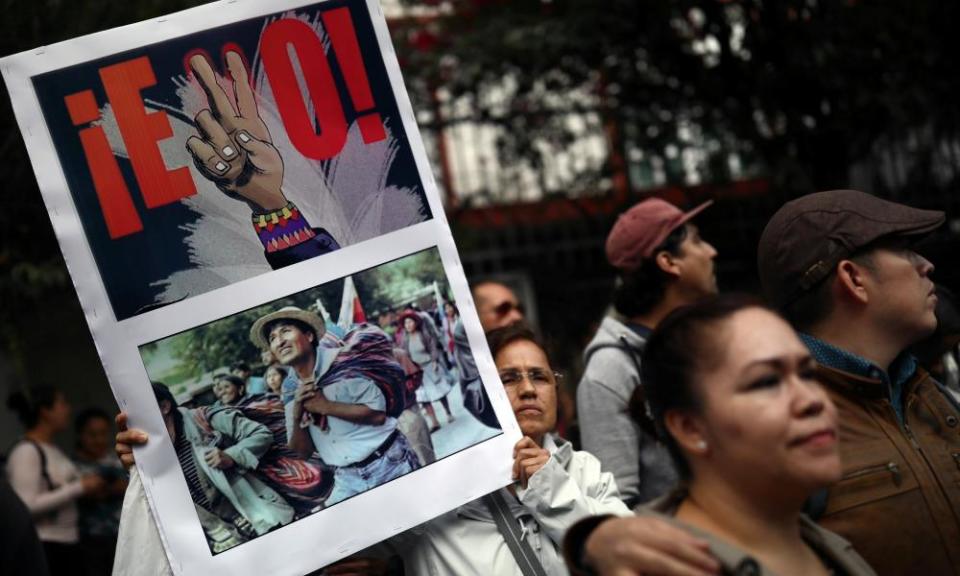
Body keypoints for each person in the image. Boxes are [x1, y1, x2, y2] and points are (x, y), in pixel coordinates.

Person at [567, 295, 875, 575]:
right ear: (690, 428)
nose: (813, 400)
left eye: (808, 374)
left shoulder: (832, 550)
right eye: (767, 382)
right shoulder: (659, 566)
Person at [390, 322, 630, 574]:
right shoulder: (433, 502)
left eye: (540, 377)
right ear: (482, 392)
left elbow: (631, 559)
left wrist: (552, 488)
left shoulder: (586, 470)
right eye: (508, 378)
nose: (528, 390)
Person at [578, 197, 718, 507]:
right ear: (669, 262)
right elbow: (614, 505)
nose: (711, 251)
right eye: (697, 241)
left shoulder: (707, 345)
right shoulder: (609, 372)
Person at [250, 306, 419, 505]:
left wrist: (325, 407)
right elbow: (301, 453)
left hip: (389, 462)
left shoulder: (345, 365)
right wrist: (297, 416)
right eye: (273, 337)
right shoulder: (290, 391)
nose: (280, 340)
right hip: (346, 480)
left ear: (309, 336)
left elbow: (377, 416)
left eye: (286, 331)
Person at [5, 386, 106, 576]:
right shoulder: (26, 451)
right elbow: (24, 506)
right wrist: (80, 487)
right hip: (49, 548)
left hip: (69, 543)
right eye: (62, 403)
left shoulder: (52, 448)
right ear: (45, 411)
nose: (68, 409)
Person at [210, 374, 330, 515]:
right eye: (219, 389)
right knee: (292, 497)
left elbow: (283, 419)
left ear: (241, 388)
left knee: (316, 476)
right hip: (262, 462)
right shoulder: (222, 417)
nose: (222, 391)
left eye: (226, 387)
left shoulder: (264, 400)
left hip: (287, 447)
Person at [73, 408, 127, 576]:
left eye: (103, 433)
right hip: (92, 542)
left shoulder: (120, 458)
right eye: (92, 434)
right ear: (80, 435)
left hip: (125, 534)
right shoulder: (71, 466)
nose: (99, 440)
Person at [397, 310, 456, 432]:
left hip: (429, 366)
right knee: (423, 397)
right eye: (406, 323)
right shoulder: (405, 340)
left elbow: (432, 347)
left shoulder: (423, 334)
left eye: (410, 322)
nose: (408, 325)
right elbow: (404, 355)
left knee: (440, 392)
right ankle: (434, 422)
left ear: (415, 323)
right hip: (417, 372)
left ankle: (448, 413)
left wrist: (434, 361)